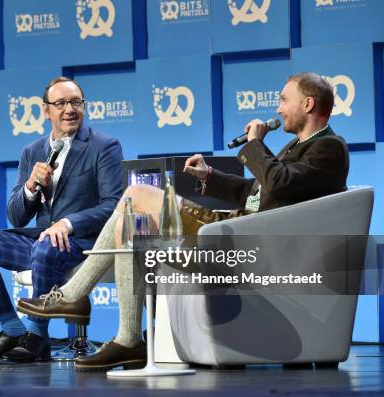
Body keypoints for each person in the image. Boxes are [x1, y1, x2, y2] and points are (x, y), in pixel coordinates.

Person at [18, 72, 350, 371]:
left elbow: (279, 184)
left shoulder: (329, 148)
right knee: (136, 227)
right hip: (234, 230)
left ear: (308, 104)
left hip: (246, 246)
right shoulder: (299, 146)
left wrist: (255, 144)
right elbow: (258, 191)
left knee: (137, 199)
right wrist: (210, 177)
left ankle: (83, 303)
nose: (278, 109)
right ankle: (126, 339)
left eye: (284, 100)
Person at [0, 76, 123, 363]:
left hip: (81, 243)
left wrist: (68, 223)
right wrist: (31, 188)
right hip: (40, 240)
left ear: (84, 107)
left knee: (48, 245)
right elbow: (16, 216)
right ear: (46, 110)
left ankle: (37, 336)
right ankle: (11, 327)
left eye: (76, 102)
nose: (69, 109)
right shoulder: (32, 152)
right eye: (60, 103)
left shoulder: (104, 146)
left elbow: (113, 205)